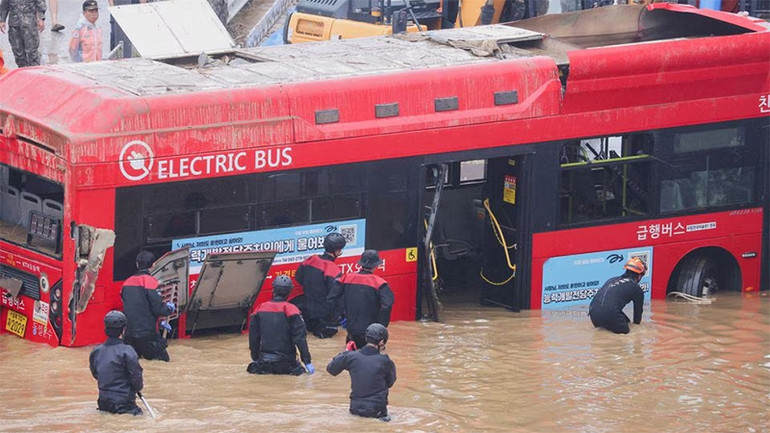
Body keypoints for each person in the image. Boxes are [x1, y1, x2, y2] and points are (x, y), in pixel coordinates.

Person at [326, 323, 396, 422]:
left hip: (355, 408)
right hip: (377, 410)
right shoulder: (385, 361)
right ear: (381, 342)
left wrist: (346, 353)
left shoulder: (350, 357)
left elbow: (331, 369)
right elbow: (390, 382)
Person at [247, 275, 314, 375]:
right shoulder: (293, 310)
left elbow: (253, 338)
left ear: (273, 290)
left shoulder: (259, 309)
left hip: (264, 363)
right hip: (287, 364)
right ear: (289, 292)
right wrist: (307, 361)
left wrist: (255, 358)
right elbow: (300, 339)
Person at [328, 249, 394, 350]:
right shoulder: (380, 283)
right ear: (376, 265)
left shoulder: (345, 278)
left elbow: (332, 299)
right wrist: (381, 326)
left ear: (360, 264)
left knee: (350, 356)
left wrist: (340, 317)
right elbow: (387, 305)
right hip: (372, 333)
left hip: (351, 329)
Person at [121, 250, 175, 361]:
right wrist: (168, 309)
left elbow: (134, 308)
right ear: (154, 264)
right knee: (164, 364)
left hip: (129, 335)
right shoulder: (151, 282)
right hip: (148, 335)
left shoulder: (126, 283)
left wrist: (159, 322)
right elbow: (158, 309)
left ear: (137, 264)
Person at [89, 310, 144, 415]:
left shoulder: (96, 351)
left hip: (103, 402)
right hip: (124, 403)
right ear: (123, 330)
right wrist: (136, 388)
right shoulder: (128, 351)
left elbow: (96, 374)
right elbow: (136, 378)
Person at [294, 232, 346, 339]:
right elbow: (336, 298)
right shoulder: (333, 269)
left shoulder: (310, 260)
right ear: (337, 251)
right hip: (324, 319)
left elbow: (298, 278)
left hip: (307, 314)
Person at [588, 257, 646, 334]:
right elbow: (637, 319)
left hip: (593, 313)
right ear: (639, 275)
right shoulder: (636, 288)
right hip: (611, 314)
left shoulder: (611, 279)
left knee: (626, 322)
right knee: (627, 335)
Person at [0, 0, 45, 68]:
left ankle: (34, 70)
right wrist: (2, 20)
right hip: (14, 24)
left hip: (29, 23)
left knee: (32, 51)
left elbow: (40, 2)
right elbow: (4, 4)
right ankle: (22, 70)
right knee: (18, 51)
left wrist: (41, 18)